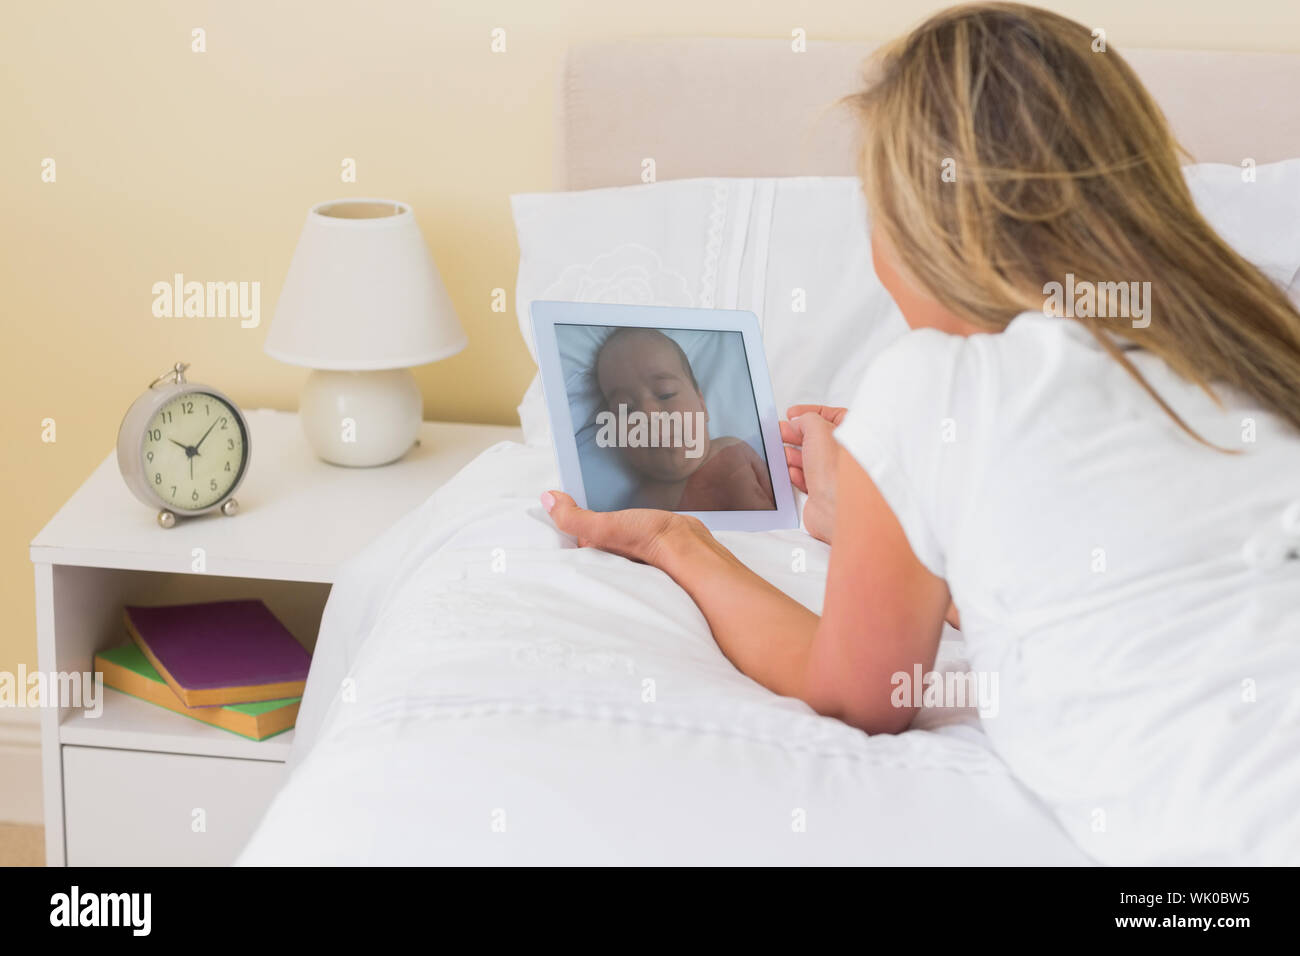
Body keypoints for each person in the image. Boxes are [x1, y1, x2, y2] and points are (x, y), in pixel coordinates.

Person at [541, 3, 1300, 863]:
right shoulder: (1260, 337)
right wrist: (897, 505)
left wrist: (681, 544)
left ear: (927, 233)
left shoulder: (930, 386)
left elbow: (854, 695)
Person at [593, 328, 775, 511]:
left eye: (666, 393)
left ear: (702, 405)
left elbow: (776, 511)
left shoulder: (731, 452)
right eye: (626, 408)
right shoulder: (637, 505)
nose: (648, 414)